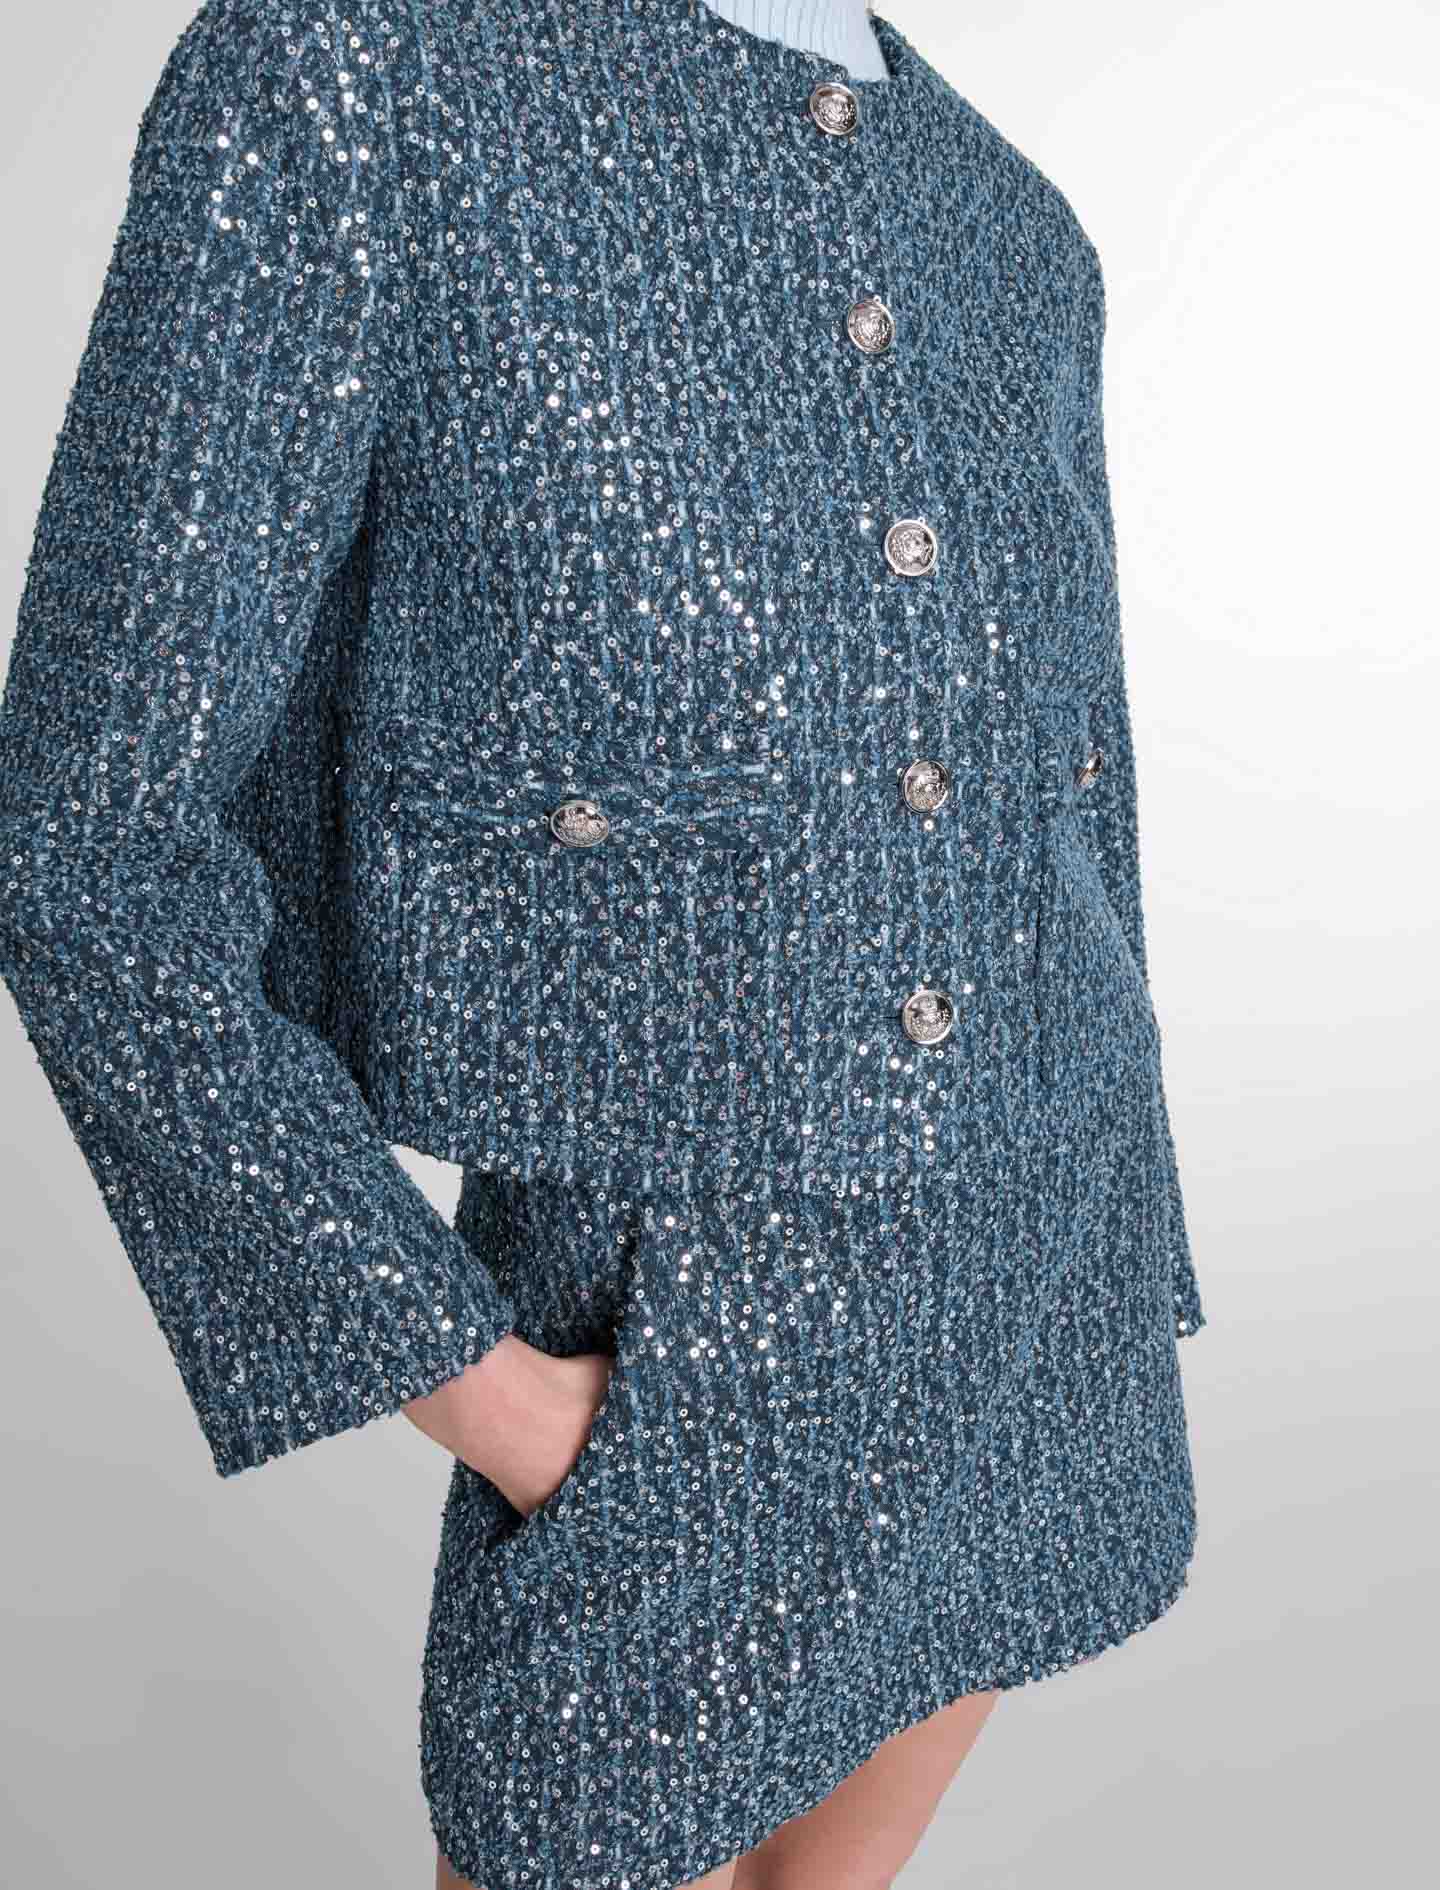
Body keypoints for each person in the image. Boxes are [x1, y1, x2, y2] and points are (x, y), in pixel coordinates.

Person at [0, 3, 1207, 1887]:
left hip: (1048, 1310)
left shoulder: (1014, 224)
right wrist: (476, 1382)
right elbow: (86, 846)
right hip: (670, 1367)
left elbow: (1077, 809)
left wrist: (1135, 1264)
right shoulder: (355, 73)